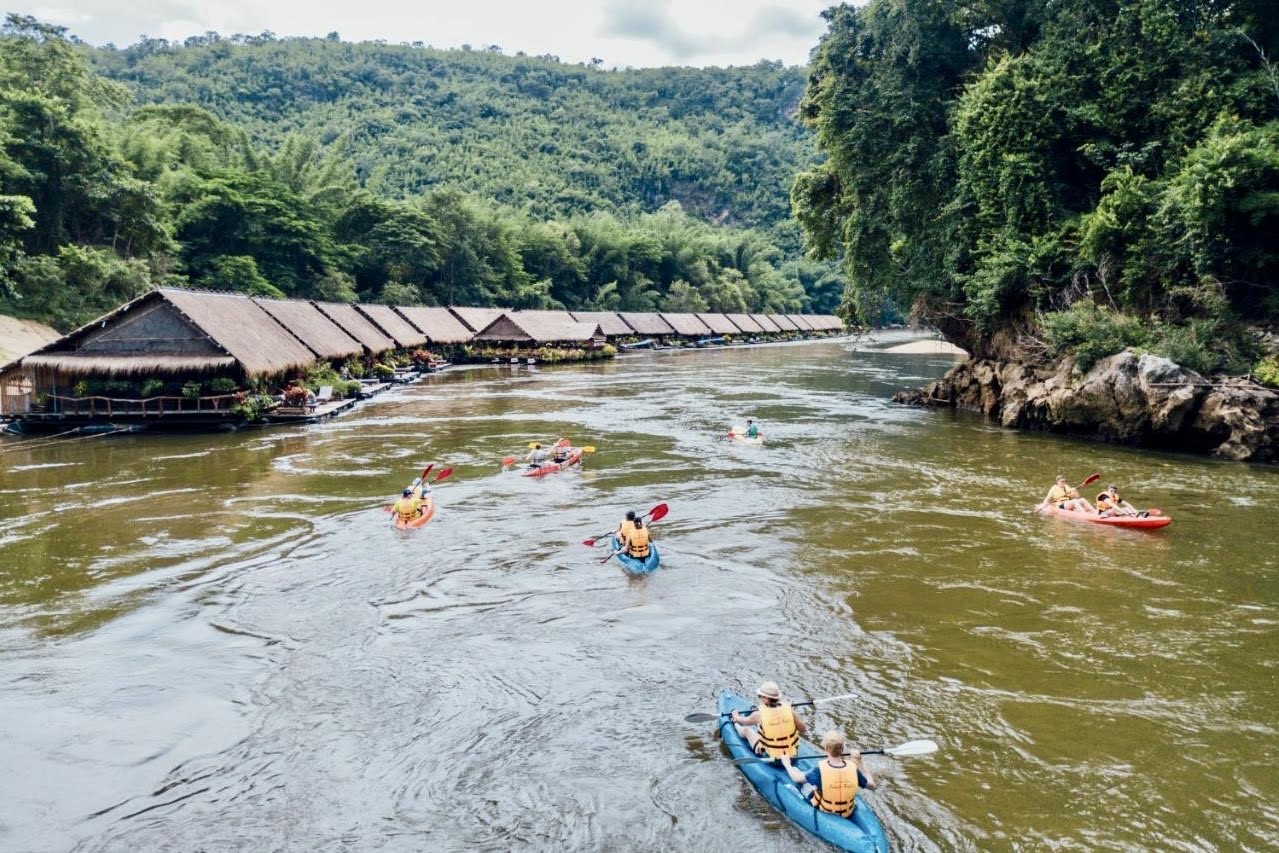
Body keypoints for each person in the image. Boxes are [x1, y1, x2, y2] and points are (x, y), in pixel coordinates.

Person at [782, 730, 875, 818]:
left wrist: (787, 764)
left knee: (802, 782)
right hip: (847, 811)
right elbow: (872, 786)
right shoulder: (853, 768)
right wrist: (860, 762)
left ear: (826, 749)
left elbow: (796, 778)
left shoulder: (819, 770)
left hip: (826, 810)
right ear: (842, 749)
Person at [730, 681, 807, 759]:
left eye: (760, 696)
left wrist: (735, 715)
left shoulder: (758, 715)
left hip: (772, 758)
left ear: (766, 699)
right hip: (792, 756)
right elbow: (803, 729)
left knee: (747, 730)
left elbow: (743, 721)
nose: (759, 698)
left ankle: (734, 723)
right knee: (765, 724)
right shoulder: (790, 710)